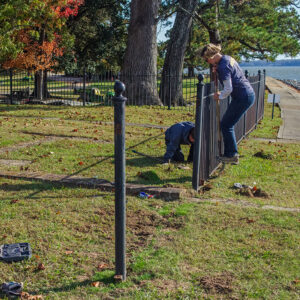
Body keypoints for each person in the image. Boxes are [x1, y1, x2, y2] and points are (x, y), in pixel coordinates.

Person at [199, 43, 255, 164]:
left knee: (226, 125)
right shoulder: (227, 58)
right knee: (227, 124)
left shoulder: (223, 66)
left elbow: (228, 89)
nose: (207, 62)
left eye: (207, 59)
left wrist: (220, 95)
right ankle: (231, 153)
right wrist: (217, 69)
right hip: (247, 94)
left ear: (212, 56)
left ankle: (232, 155)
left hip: (243, 97)